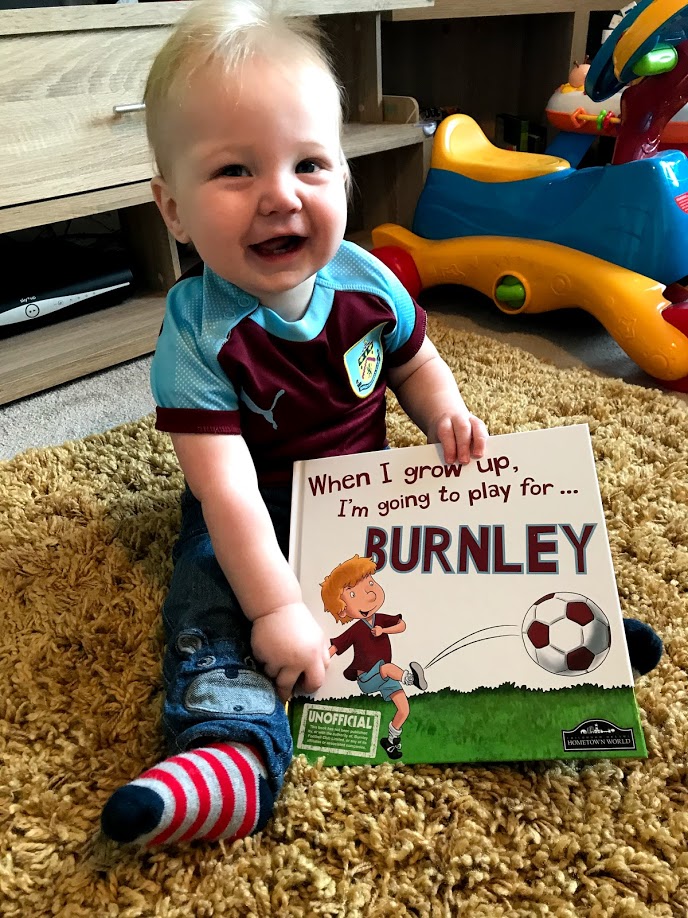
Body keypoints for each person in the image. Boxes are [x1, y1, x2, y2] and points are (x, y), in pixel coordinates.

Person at [99, 0, 489, 848]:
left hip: (367, 498)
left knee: (468, 536)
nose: (280, 195)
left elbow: (414, 363)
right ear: (172, 210)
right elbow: (227, 489)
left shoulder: (370, 282)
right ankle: (231, 749)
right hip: (256, 511)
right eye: (236, 171)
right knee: (209, 589)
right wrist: (275, 603)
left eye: (309, 164)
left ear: (343, 179)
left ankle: (562, 657)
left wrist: (445, 415)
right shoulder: (199, 333)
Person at [322, 555, 428, 761]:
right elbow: (335, 647)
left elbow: (402, 625)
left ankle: (391, 742)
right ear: (343, 609)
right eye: (353, 593)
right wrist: (318, 662)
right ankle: (410, 678)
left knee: (404, 709)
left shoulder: (380, 619)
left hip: (386, 677)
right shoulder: (355, 629)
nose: (369, 593)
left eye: (370, 583)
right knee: (386, 667)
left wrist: (383, 630)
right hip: (368, 678)